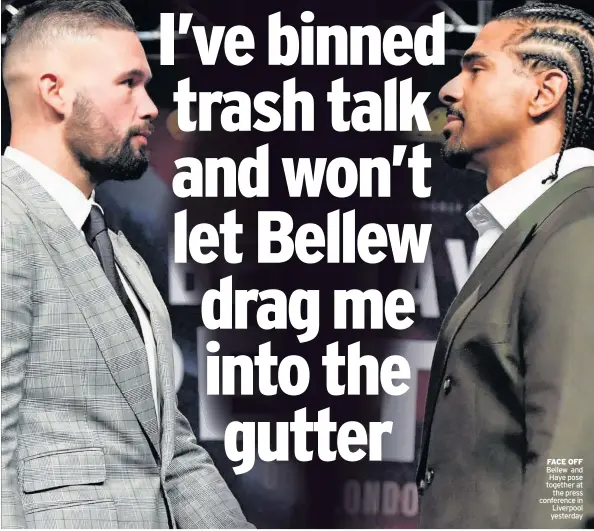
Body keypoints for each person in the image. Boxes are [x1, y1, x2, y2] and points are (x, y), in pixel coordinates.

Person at [1, 1, 253, 528]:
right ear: (54, 92)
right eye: (129, 82)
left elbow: (170, 452)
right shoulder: (6, 218)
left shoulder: (115, 247)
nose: (150, 106)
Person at [416, 2, 594, 528]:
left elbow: (570, 469)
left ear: (545, 92)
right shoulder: (535, 225)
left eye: (476, 69)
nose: (449, 89)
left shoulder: (577, 232)